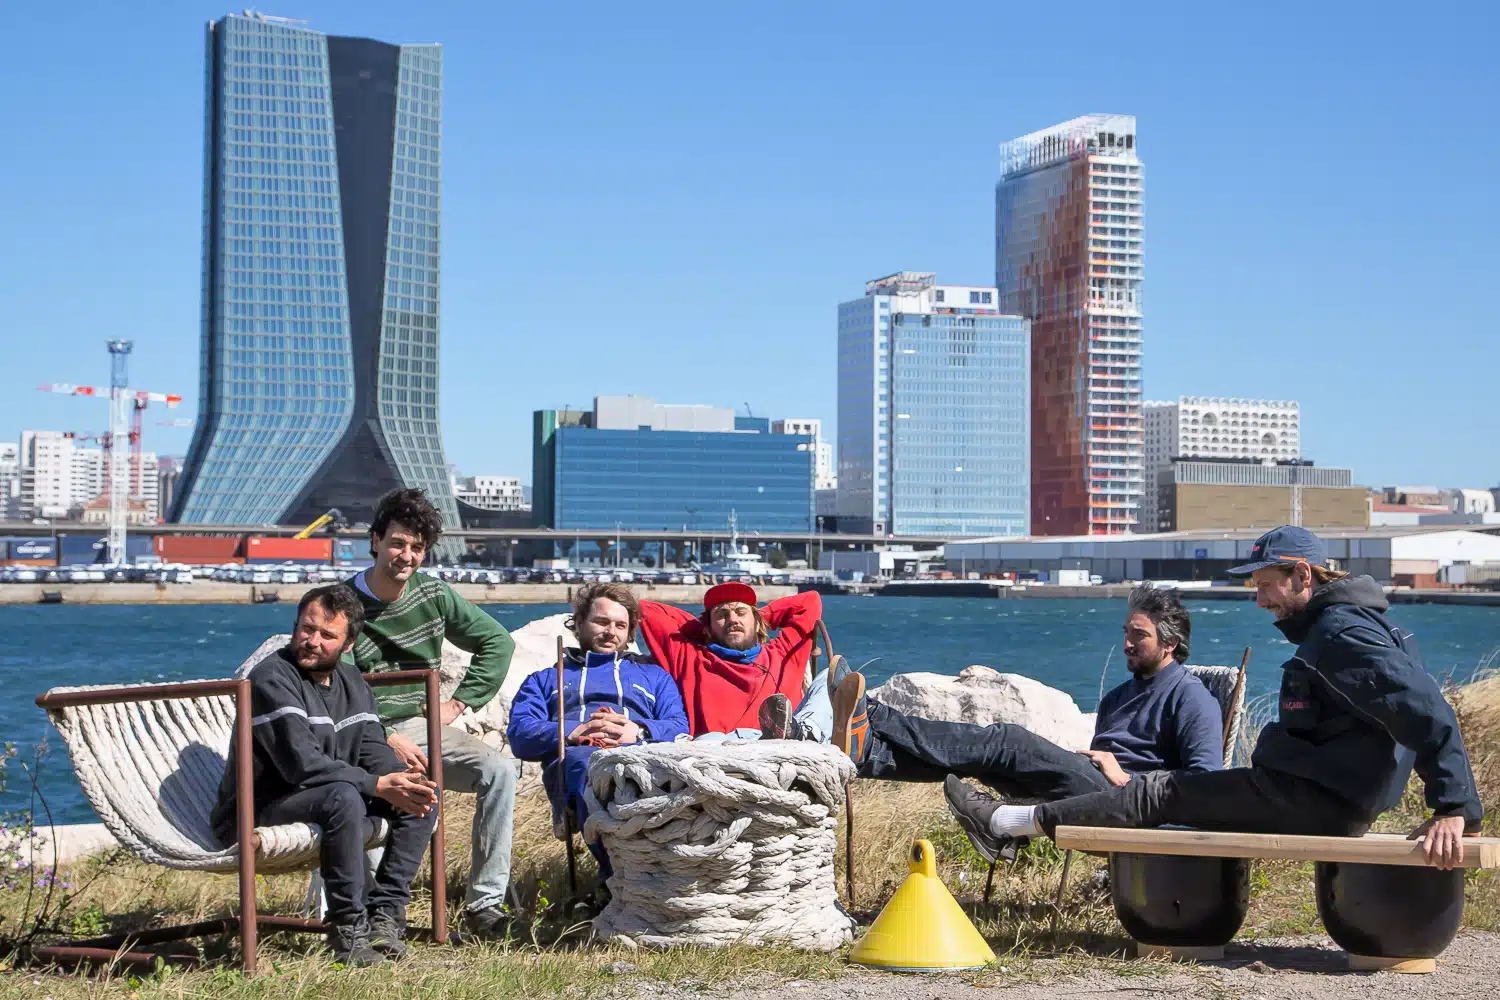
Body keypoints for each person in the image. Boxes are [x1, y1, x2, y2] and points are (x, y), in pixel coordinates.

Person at [947, 526, 1485, 870]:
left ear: (1302, 574)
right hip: (1322, 790)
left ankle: (1004, 824)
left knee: (1159, 792)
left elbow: (1426, 709)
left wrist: (1455, 808)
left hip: (1319, 799)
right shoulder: (1349, 627)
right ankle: (1016, 825)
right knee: (1170, 795)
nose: (1258, 600)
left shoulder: (1345, 636)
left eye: (1264, 585)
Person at [211, 586, 438, 967]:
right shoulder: (271, 678)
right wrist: (376, 785)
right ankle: (347, 930)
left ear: (348, 644)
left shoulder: (352, 682)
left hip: (321, 796)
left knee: (421, 796)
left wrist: (398, 780)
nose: (312, 642)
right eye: (306, 629)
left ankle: (386, 914)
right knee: (343, 798)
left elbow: (371, 749)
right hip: (259, 807)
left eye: (326, 635)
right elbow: (301, 765)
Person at [346, 487, 520, 937]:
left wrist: (459, 703)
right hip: (362, 732)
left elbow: (496, 642)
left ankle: (484, 906)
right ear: (376, 541)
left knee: (499, 771)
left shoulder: (434, 595)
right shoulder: (342, 604)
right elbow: (338, 689)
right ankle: (373, 910)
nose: (407, 555)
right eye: (398, 542)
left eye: (417, 547)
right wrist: (385, 736)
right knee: (390, 787)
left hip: (422, 727)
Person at [506, 582, 689, 891]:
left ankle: (662, 877)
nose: (611, 631)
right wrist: (572, 731)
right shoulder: (547, 679)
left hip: (644, 756)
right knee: (589, 764)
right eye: (601, 622)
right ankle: (621, 881)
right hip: (579, 761)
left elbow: (679, 726)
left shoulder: (654, 676)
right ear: (579, 623)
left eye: (620, 625)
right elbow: (520, 733)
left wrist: (640, 731)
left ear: (630, 632)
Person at [636, 584, 858, 746]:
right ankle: (794, 735)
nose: (733, 619)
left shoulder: (783, 653)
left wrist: (762, 615)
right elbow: (646, 610)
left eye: (741, 613)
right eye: (722, 615)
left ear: (757, 621)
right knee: (709, 741)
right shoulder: (690, 656)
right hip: (720, 750)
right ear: (708, 626)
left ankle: (802, 732)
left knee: (834, 674)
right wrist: (703, 628)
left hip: (787, 748)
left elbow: (810, 602)